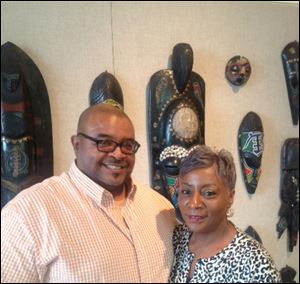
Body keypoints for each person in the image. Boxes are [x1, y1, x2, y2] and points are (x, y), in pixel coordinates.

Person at [1, 103, 177, 283]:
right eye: (105, 142)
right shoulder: (26, 215)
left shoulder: (160, 208)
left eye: (127, 145)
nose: (118, 154)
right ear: (76, 144)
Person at [168, 145, 281, 283]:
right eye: (186, 192)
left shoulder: (255, 264)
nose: (194, 203)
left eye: (208, 193)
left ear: (230, 197)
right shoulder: (177, 239)